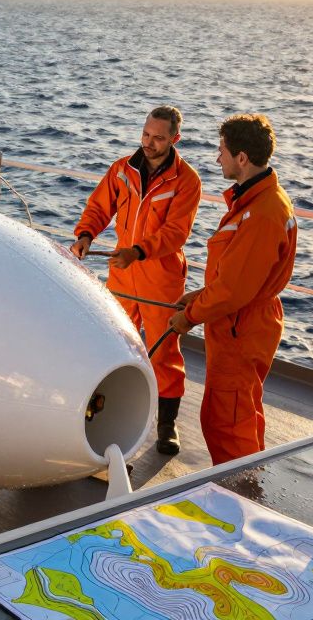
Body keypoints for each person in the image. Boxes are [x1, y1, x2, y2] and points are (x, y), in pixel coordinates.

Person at [70, 106, 202, 455]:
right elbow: (99, 207)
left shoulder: (187, 181)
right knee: (113, 344)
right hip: (123, 272)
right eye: (146, 134)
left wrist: (139, 251)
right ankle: (105, 414)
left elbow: (176, 232)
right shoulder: (121, 170)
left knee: (164, 353)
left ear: (175, 139)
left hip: (161, 276)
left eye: (158, 138)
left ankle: (167, 426)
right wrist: (86, 234)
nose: (149, 143)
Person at [168, 113, 297, 465]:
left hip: (241, 327)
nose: (216, 157)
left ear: (242, 158)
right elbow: (237, 279)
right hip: (242, 321)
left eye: (222, 149)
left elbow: (233, 292)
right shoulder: (257, 202)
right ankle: (243, 485)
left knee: (228, 424)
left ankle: (239, 500)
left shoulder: (261, 215)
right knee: (239, 412)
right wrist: (198, 297)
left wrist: (189, 317)